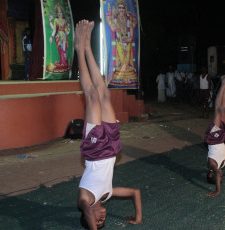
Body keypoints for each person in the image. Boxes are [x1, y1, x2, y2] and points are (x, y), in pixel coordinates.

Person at [74, 20, 142, 229]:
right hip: (112, 148)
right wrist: (138, 217)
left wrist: (93, 224)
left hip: (95, 151)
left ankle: (79, 49)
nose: (102, 217)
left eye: (98, 220)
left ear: (89, 217)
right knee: (104, 95)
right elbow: (135, 193)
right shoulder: (108, 193)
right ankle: (87, 47)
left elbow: (86, 212)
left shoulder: (84, 200)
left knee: (93, 97)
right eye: (104, 221)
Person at [48, 3, 70, 73]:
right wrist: (51, 37)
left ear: (62, 12)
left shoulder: (65, 21)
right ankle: (62, 62)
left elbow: (67, 30)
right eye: (58, 12)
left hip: (64, 37)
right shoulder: (56, 20)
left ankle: (64, 63)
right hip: (58, 37)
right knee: (60, 51)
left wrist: (68, 30)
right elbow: (54, 29)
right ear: (56, 13)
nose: (59, 13)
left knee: (64, 50)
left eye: (60, 12)